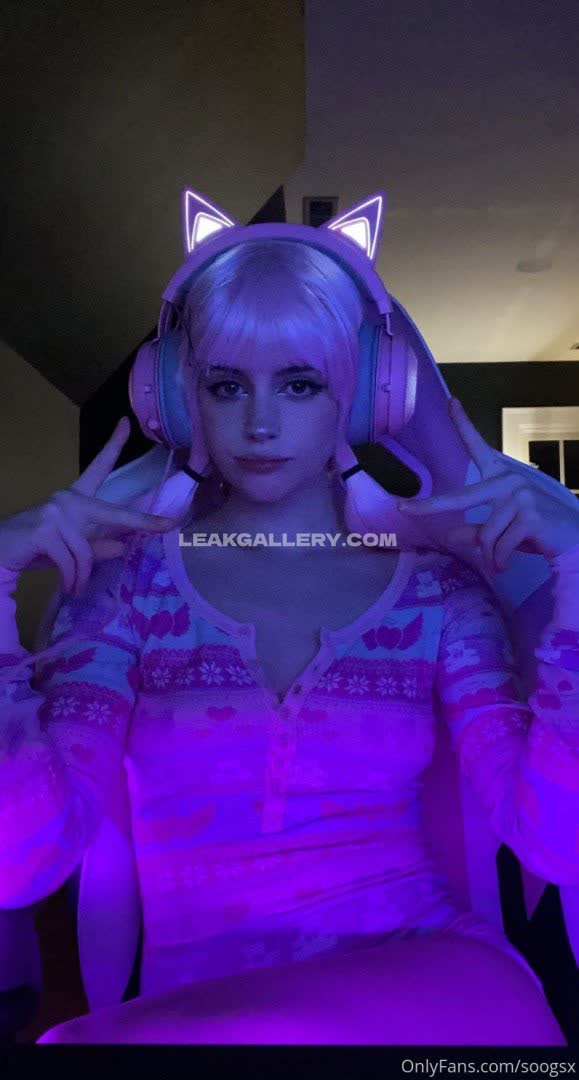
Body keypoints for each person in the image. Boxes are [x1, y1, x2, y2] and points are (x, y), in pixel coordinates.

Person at [0, 190, 578, 1045]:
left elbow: (557, 845)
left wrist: (578, 576)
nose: (260, 422)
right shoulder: (127, 593)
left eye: (300, 383)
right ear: (179, 396)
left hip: (427, 992)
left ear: (363, 393)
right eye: (226, 385)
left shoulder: (438, 595)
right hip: (204, 1025)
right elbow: (20, 865)